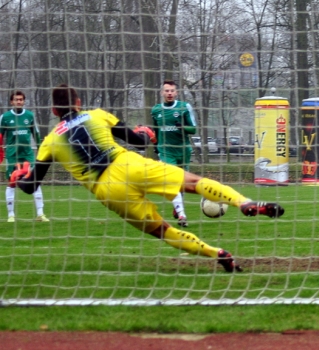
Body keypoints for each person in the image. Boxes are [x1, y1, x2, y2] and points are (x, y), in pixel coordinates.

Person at [14, 83, 285, 273]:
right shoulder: (96, 115)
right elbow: (138, 140)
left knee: (163, 231)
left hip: (107, 190)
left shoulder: (50, 141)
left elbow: (31, 187)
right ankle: (244, 202)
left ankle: (218, 254)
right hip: (129, 164)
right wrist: (146, 133)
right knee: (192, 182)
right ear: (78, 103)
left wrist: (17, 179)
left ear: (53, 111)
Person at [151, 80, 197, 227]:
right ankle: (182, 214)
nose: (169, 93)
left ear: (176, 93)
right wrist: (156, 144)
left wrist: (182, 126)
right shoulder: (156, 110)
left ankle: (178, 208)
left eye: (172, 91)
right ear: (162, 93)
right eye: (167, 91)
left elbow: (193, 129)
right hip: (166, 151)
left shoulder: (184, 107)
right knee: (172, 180)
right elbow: (156, 129)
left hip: (183, 150)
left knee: (182, 184)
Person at [0, 90, 49, 222]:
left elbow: (36, 135)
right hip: (12, 156)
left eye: (21, 99)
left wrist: (41, 151)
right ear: (12, 102)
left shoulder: (30, 116)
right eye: (16, 99)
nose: (19, 102)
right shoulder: (4, 117)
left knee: (35, 183)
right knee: (11, 183)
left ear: (24, 101)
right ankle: (11, 215)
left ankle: (40, 214)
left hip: (28, 155)